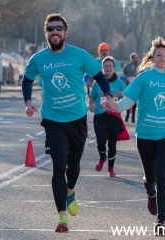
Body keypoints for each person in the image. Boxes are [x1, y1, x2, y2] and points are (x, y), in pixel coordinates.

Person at [104, 37, 165, 235]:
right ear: (153, 57)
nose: (163, 58)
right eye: (159, 55)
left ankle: (161, 221)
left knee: (162, 177)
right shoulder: (144, 77)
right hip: (145, 134)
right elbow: (129, 101)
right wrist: (115, 106)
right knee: (150, 179)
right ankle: (151, 195)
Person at [22, 13, 114, 233]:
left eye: (59, 28)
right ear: (46, 33)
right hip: (53, 120)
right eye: (51, 28)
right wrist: (27, 102)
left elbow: (99, 76)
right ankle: (62, 217)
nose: (55, 32)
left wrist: (108, 95)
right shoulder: (38, 59)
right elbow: (27, 79)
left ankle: (70, 190)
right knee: (58, 166)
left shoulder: (79, 55)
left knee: (73, 166)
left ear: (65, 32)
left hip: (77, 119)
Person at [89, 56, 128, 177]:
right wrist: (90, 105)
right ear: (102, 68)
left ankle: (111, 167)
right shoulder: (97, 83)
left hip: (114, 117)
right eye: (105, 66)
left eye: (110, 66)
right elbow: (92, 97)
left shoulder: (120, 83)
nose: (108, 68)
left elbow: (128, 99)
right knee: (100, 141)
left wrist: (122, 95)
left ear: (114, 68)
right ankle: (102, 157)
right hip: (100, 115)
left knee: (112, 144)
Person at [123, 52, 139, 122]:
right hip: (128, 86)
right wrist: (126, 80)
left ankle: (133, 117)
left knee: (134, 102)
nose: (137, 59)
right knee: (128, 100)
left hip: (135, 87)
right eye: (135, 58)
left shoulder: (139, 66)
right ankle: (127, 116)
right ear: (132, 58)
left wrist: (137, 74)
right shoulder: (127, 65)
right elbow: (123, 75)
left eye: (137, 58)